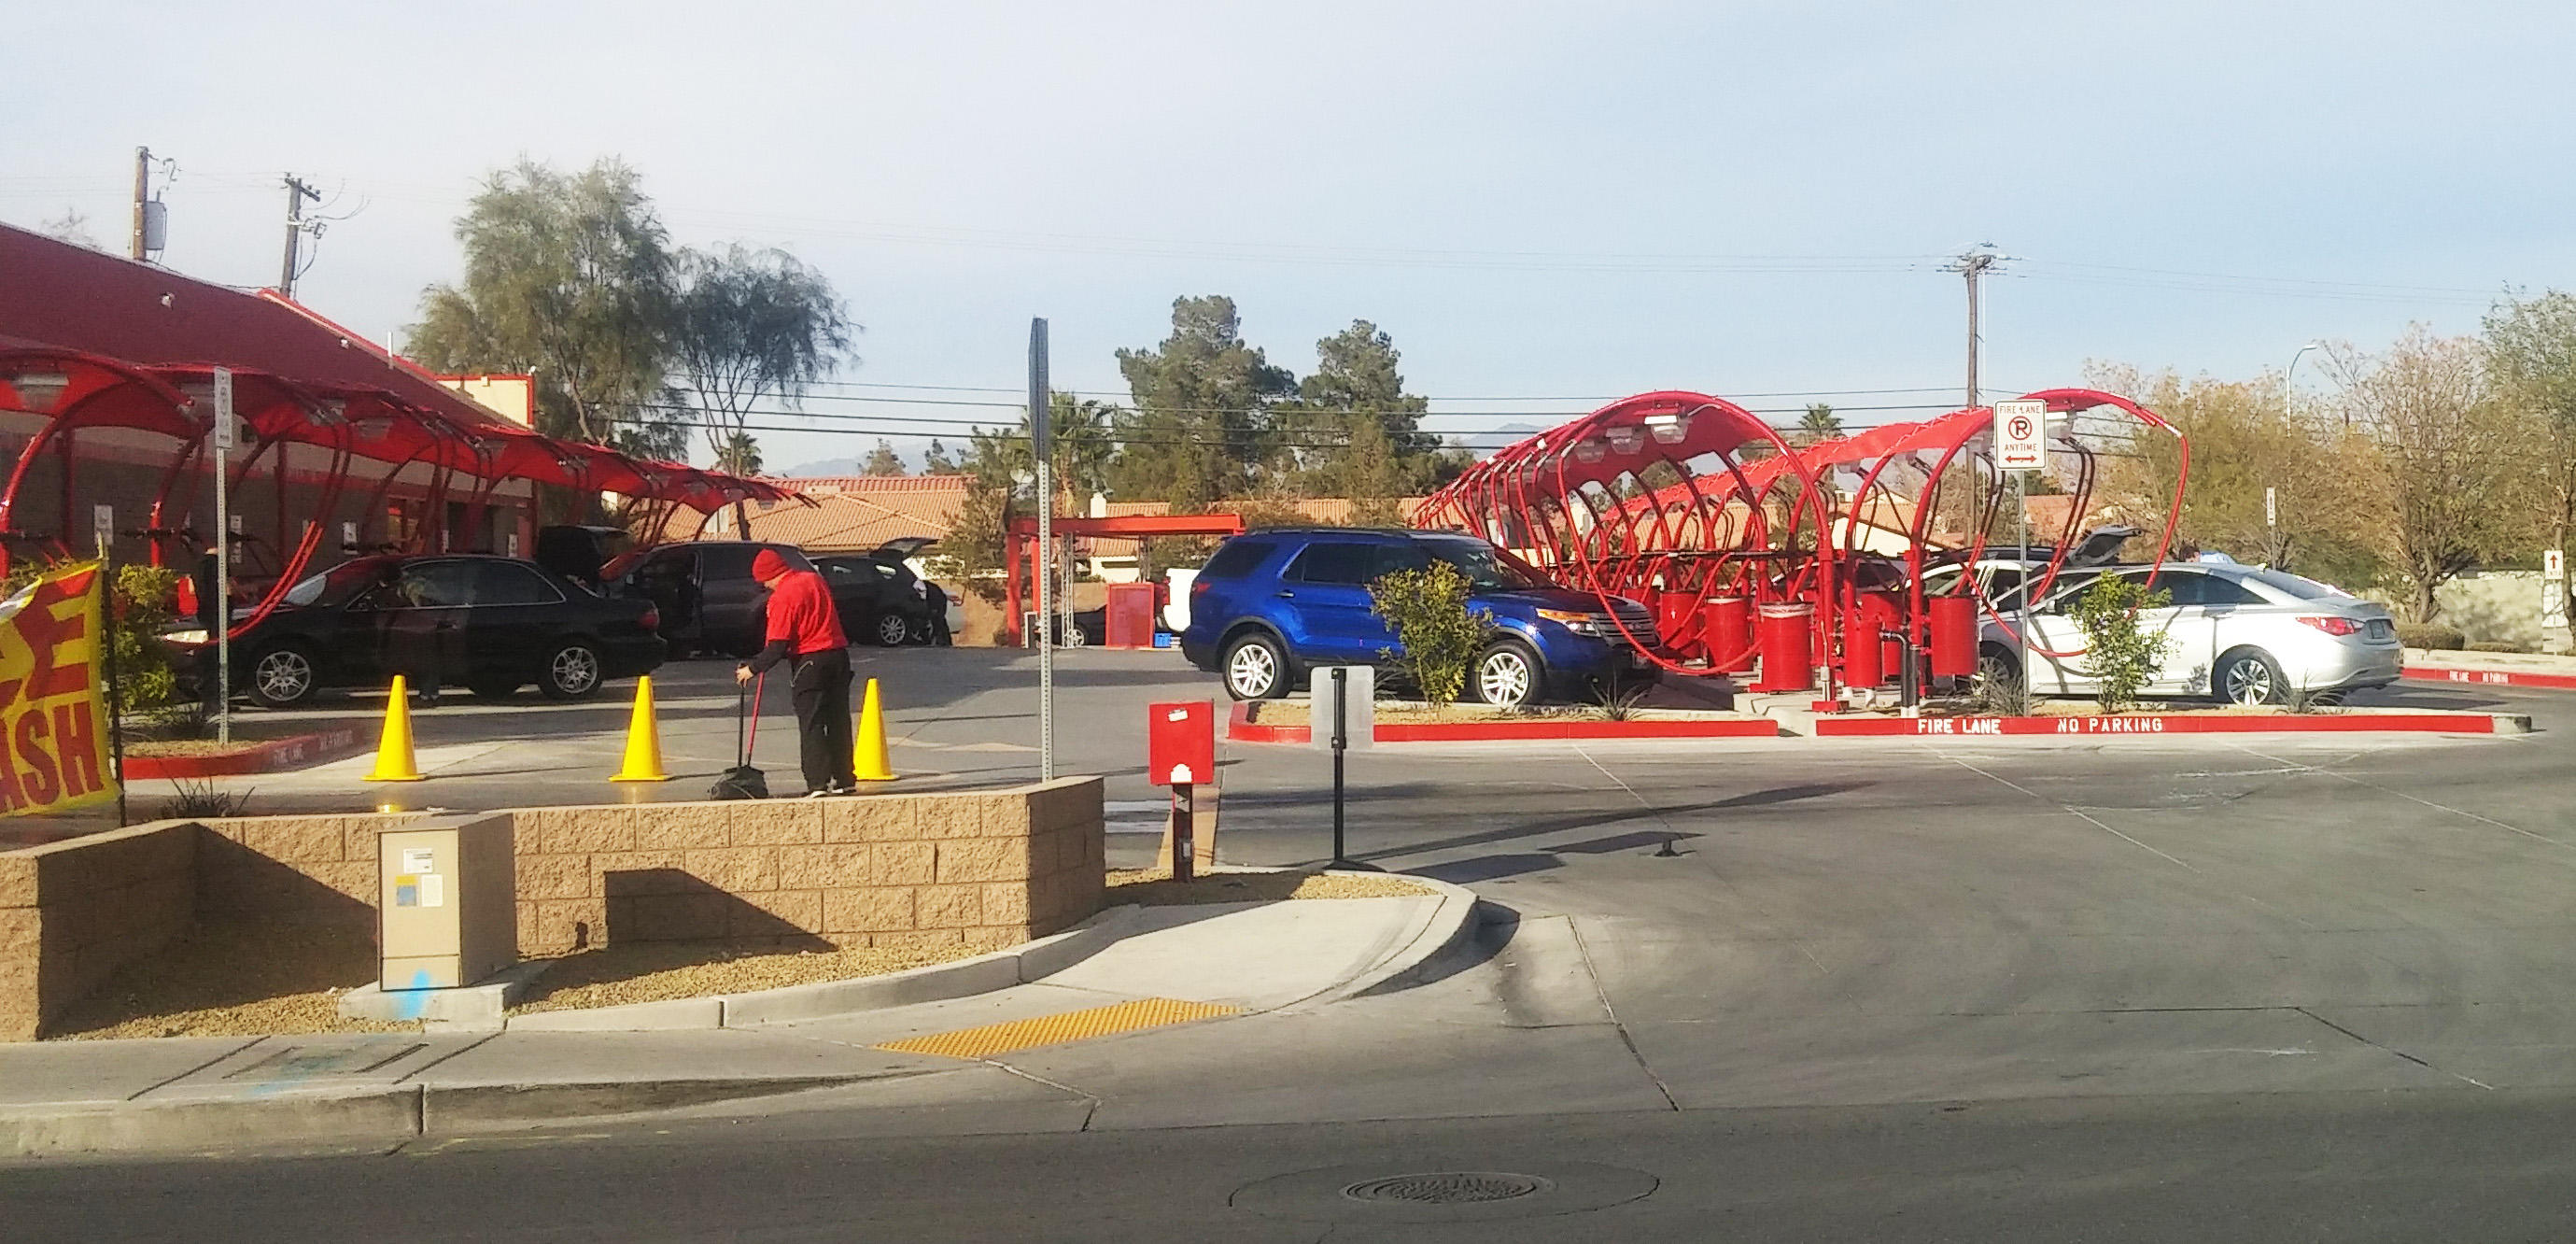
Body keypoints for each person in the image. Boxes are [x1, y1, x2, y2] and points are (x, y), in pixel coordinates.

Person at [737, 548, 856, 797]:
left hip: (809, 662)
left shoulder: (782, 597)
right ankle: (845, 778)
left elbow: (778, 645)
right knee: (838, 721)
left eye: (764, 582)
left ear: (769, 576)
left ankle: (817, 783)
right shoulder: (814, 580)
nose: (765, 587)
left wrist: (752, 669)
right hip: (838, 656)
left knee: (812, 723)